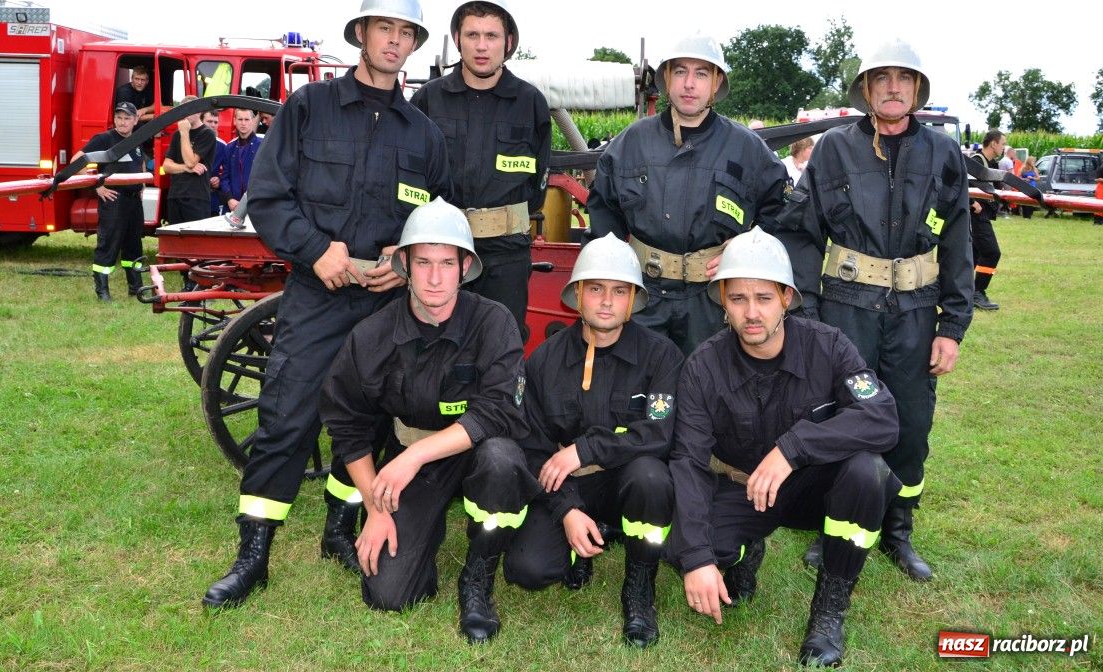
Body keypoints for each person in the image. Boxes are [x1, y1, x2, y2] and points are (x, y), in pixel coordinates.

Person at [202, 0, 451, 610]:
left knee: (365, 420)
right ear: (361, 34)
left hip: (385, 303)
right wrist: (316, 250)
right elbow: (269, 195)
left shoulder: (425, 135)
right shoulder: (308, 108)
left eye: (406, 33)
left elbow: (438, 218)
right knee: (286, 417)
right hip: (317, 294)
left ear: (414, 44)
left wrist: (404, 260)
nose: (394, 41)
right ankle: (253, 554)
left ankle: (340, 528)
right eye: (384, 29)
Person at [777, 39, 974, 583]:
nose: (892, 87)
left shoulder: (943, 154)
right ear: (865, 89)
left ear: (917, 89)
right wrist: (809, 318)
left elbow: (959, 243)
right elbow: (802, 236)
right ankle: (830, 523)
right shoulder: (834, 150)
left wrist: (952, 327)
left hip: (916, 313)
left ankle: (897, 530)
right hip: (845, 311)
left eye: (903, 78)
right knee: (839, 415)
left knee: (910, 422)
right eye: (881, 78)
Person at [668, 227, 901, 668]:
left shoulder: (828, 346)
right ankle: (743, 553)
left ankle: (829, 611)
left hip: (814, 487)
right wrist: (697, 559)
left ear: (787, 299)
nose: (751, 312)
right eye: (738, 299)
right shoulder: (702, 366)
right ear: (722, 302)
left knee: (867, 472)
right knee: (678, 550)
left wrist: (794, 446)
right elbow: (689, 462)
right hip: (744, 488)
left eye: (764, 298)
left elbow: (883, 418)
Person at [320, 198, 538, 643]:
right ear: (404, 264)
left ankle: (477, 577)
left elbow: (499, 410)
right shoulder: (372, 336)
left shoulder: (494, 322)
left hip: (478, 451)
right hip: (412, 459)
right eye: (423, 263)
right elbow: (347, 422)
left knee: (501, 461)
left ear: (465, 267)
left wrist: (414, 456)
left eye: (446, 263)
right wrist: (376, 506)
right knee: (388, 593)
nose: (435, 278)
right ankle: (423, 539)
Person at [503, 233, 683, 649]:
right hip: (567, 487)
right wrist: (565, 510)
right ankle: (579, 543)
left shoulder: (662, 357)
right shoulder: (544, 360)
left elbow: (660, 433)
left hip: (627, 481)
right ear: (577, 295)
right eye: (596, 289)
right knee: (527, 571)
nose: (606, 301)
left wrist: (586, 449)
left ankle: (639, 586)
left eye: (619, 291)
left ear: (633, 298)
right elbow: (531, 445)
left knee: (652, 478)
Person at [586, 33, 789, 356]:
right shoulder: (630, 143)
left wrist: (747, 252)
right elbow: (602, 216)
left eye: (701, 73)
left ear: (716, 82)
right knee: (637, 388)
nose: (689, 84)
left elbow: (782, 216)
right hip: (643, 299)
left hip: (712, 301)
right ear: (667, 79)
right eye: (680, 72)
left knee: (708, 387)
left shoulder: (747, 150)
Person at [409, 0, 551, 341]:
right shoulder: (429, 100)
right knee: (435, 341)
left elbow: (537, 187)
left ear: (509, 42)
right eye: (473, 35)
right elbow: (411, 176)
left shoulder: (529, 103)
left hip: (506, 256)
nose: (482, 46)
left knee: (501, 344)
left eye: (492, 35)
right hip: (441, 252)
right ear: (458, 40)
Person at [75, 102, 147, 302]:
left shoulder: (136, 139)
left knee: (134, 246)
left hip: (133, 202)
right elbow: (77, 161)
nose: (122, 122)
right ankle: (102, 291)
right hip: (114, 200)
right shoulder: (104, 139)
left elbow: (140, 163)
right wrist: (97, 186)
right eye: (119, 118)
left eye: (126, 118)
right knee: (108, 245)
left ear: (135, 120)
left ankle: (136, 288)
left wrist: (141, 186)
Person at [161, 99, 217, 225]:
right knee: (176, 241)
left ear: (199, 112)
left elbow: (191, 161)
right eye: (183, 110)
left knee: (195, 241)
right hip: (175, 195)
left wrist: (185, 133)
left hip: (197, 197)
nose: (186, 113)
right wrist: (185, 168)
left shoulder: (207, 133)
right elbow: (166, 166)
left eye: (190, 110)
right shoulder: (177, 135)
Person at [970, 130, 1005, 310]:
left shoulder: (992, 163)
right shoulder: (976, 161)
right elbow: (958, 182)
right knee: (992, 253)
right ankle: (978, 292)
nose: (1004, 148)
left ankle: (969, 293)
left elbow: (999, 187)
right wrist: (972, 201)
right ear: (993, 143)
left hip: (982, 215)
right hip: (975, 215)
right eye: (1002, 144)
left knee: (975, 255)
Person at [217, 108, 262, 213]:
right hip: (233, 206)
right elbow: (224, 177)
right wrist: (229, 199)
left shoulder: (262, 146)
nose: (243, 123)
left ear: (252, 121)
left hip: (256, 205)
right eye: (240, 119)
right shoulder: (229, 148)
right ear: (234, 121)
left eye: (246, 119)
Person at [202, 110, 228, 215]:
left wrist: (219, 180)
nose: (213, 125)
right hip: (192, 196)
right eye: (209, 121)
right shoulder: (190, 142)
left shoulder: (223, 146)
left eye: (215, 122)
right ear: (201, 121)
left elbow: (228, 173)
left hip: (211, 199)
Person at [1019, 155, 1038, 219]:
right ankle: (1025, 214)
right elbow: (1018, 177)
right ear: (1029, 161)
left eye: (1034, 161)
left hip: (1032, 186)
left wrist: (1032, 178)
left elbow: (1038, 178)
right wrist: (1024, 179)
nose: (1034, 163)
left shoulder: (1035, 169)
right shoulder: (1023, 169)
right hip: (1024, 186)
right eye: (1033, 161)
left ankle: (1029, 214)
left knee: (1031, 200)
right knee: (1024, 200)